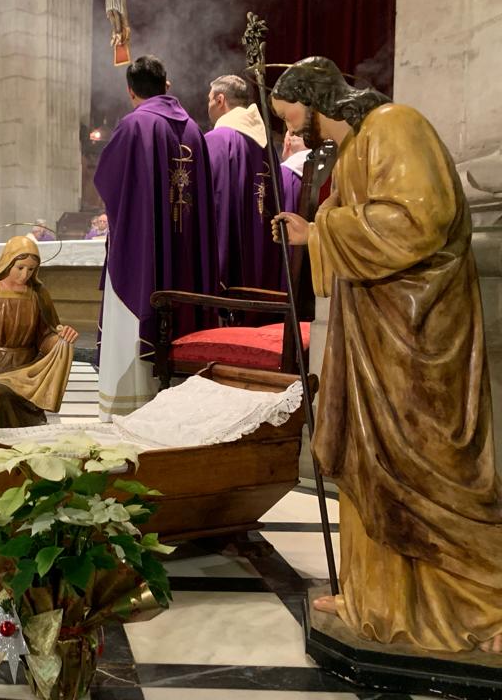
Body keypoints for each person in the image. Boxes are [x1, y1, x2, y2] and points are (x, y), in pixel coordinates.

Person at [270, 56, 502, 654]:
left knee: (426, 467)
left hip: (416, 334)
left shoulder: (395, 125)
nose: (291, 132)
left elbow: (419, 222)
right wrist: (313, 229)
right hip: (373, 332)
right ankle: (378, 597)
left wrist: (321, 231)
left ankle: (477, 602)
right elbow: (361, 221)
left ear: (315, 99)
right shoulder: (352, 149)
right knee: (370, 466)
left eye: (291, 117)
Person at [94, 55, 217, 420]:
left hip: (141, 252)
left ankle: (130, 409)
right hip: (185, 251)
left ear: (131, 91)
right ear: (167, 84)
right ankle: (177, 405)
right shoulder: (194, 130)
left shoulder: (134, 126)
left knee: (137, 311)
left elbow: (108, 182)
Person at [0, 235, 79, 428]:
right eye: (20, 268)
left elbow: (46, 336)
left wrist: (61, 339)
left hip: (24, 372)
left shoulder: (38, 293)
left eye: (31, 269)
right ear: (7, 263)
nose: (25, 275)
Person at [205, 74, 300, 302]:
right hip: (262, 262)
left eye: (209, 100)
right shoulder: (264, 144)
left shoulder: (216, 141)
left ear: (220, 100)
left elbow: (207, 202)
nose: (207, 106)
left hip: (227, 270)